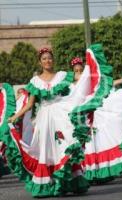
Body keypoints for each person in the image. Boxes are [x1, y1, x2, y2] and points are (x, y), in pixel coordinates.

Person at [5, 48, 89, 197]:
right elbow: (30, 104)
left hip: (61, 115)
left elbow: (80, 79)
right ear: (40, 62)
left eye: (49, 58)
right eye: (44, 59)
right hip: (45, 119)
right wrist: (15, 116)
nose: (47, 61)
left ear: (53, 60)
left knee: (65, 146)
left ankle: (68, 182)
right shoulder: (35, 81)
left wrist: (92, 71)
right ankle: (50, 184)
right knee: (46, 150)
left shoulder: (61, 76)